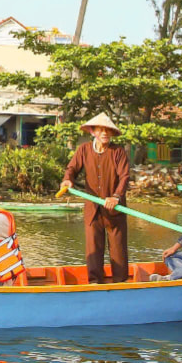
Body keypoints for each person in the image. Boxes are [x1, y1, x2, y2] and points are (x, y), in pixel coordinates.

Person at [57, 113, 130, 284]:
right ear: (93, 131)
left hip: (114, 208)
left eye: (107, 130)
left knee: (118, 249)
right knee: (93, 247)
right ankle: (95, 283)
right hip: (93, 208)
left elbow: (124, 177)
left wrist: (116, 197)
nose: (104, 133)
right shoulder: (84, 150)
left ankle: (120, 283)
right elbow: (72, 169)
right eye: (100, 130)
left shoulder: (117, 152)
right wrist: (67, 180)